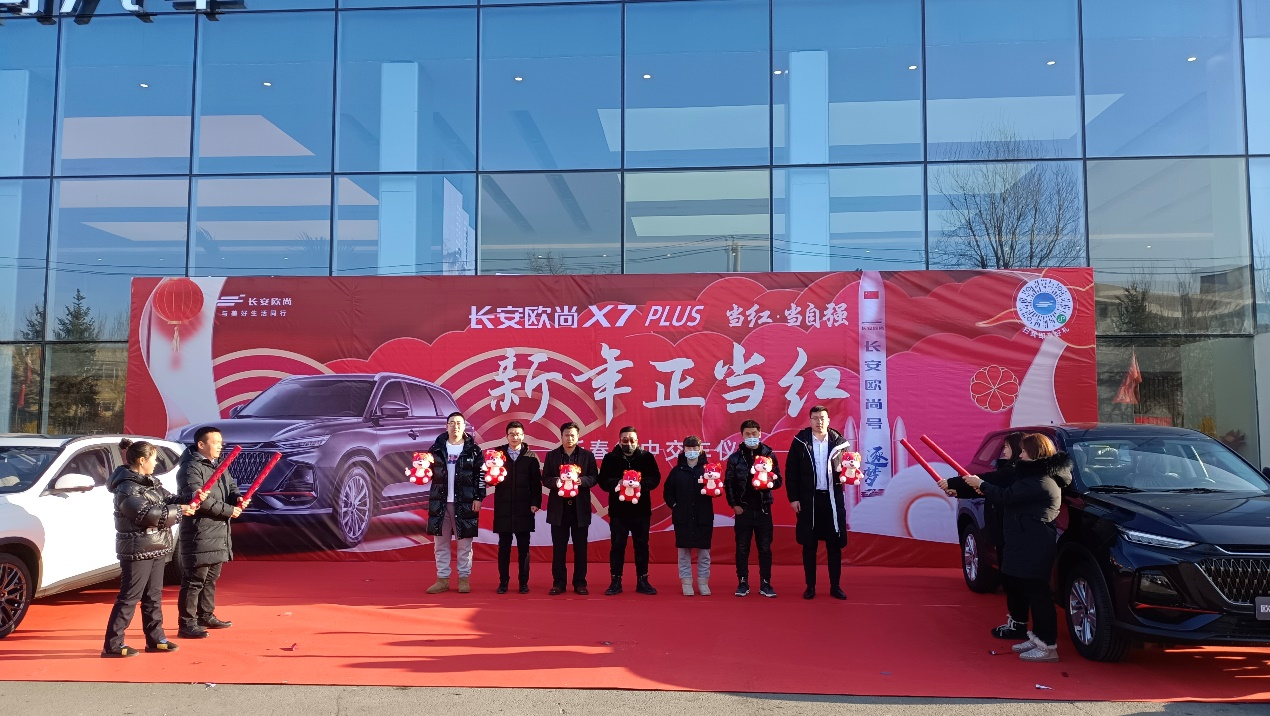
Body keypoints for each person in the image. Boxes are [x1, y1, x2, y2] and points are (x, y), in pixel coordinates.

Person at [960, 433, 1072, 663]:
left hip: (1035, 544)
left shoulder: (1040, 481)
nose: (1019, 455)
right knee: (1029, 590)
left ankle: (1048, 646)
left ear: (1034, 452)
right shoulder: (1034, 477)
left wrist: (981, 484)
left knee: (1039, 595)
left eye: (1023, 451)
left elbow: (1006, 496)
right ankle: (1037, 638)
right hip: (1025, 542)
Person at [102, 439, 198, 657]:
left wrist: (192, 498)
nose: (156, 463)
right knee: (129, 597)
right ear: (141, 460)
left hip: (156, 546)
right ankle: (113, 644)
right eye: (154, 459)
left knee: (153, 596)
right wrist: (180, 511)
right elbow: (146, 515)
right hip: (137, 550)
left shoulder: (150, 482)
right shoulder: (127, 488)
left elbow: (170, 499)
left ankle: (156, 639)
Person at [940, 432, 1027, 639]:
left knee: (1017, 582)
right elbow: (988, 488)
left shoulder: (1019, 473)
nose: (1003, 451)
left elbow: (988, 482)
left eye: (1008, 447)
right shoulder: (1009, 470)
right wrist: (958, 490)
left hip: (1016, 535)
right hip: (1003, 532)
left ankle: (1023, 627)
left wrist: (952, 483)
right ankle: (1017, 622)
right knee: (1009, 578)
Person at [176, 426, 243, 639]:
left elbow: (230, 487)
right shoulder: (190, 468)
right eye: (215, 442)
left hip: (218, 530)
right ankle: (187, 623)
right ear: (201, 444)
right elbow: (199, 500)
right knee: (195, 580)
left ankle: (205, 615)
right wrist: (230, 511)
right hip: (200, 531)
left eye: (221, 442)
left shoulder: (219, 465)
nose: (220, 446)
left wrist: (237, 499)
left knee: (211, 577)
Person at [784, 405, 850, 601]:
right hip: (808, 501)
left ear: (828, 420)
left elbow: (849, 467)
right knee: (809, 545)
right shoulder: (800, 441)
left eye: (822, 418)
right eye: (815, 418)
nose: (819, 421)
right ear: (809, 420)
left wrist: (851, 472)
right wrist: (793, 498)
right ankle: (810, 587)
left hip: (832, 500)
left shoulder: (839, 443)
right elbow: (791, 472)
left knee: (834, 546)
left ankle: (835, 587)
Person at [426, 412, 486, 594]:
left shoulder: (474, 450)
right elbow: (426, 472)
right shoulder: (436, 448)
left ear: (464, 426)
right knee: (440, 544)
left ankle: (463, 578)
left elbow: (480, 476)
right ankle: (442, 579)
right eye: (451, 423)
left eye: (459, 423)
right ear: (446, 426)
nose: (455, 426)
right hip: (440, 502)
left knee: (464, 544)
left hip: (465, 502)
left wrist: (478, 497)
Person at [598, 426, 662, 596]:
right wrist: (618, 483)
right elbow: (602, 480)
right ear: (620, 441)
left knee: (641, 546)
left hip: (641, 511)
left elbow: (655, 478)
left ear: (637, 441)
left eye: (632, 440)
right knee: (617, 546)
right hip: (618, 512)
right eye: (625, 440)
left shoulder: (646, 457)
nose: (629, 443)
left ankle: (643, 580)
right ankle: (615, 581)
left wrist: (641, 485)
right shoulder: (610, 458)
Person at [724, 419, 782, 598]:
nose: (751, 436)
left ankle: (766, 583)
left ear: (760, 433)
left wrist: (770, 481)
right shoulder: (735, 458)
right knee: (742, 548)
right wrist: (734, 505)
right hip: (744, 510)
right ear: (742, 435)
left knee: (765, 548)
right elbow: (729, 483)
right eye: (747, 434)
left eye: (754, 433)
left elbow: (779, 480)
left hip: (764, 509)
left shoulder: (769, 455)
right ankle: (742, 582)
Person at [541, 422, 600, 595]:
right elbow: (545, 478)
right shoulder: (552, 456)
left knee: (580, 548)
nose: (570, 438)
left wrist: (581, 481)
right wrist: (556, 482)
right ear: (561, 436)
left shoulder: (587, 456)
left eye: (573, 435)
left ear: (578, 436)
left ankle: (580, 582)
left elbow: (594, 477)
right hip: (558, 509)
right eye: (566, 435)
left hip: (579, 508)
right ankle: (558, 583)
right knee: (559, 549)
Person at [491, 421, 542, 594]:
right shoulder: (498, 455)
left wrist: (535, 502)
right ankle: (503, 582)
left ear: (523, 436)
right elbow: (489, 478)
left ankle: (523, 583)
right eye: (511, 434)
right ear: (506, 436)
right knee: (504, 547)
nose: (515, 437)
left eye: (518, 434)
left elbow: (536, 483)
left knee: (524, 549)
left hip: (524, 507)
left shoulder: (531, 457)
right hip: (503, 507)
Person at [662, 436, 714, 596]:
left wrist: (716, 490)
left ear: (700, 449)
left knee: (704, 553)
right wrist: (675, 505)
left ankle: (703, 582)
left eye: (695, 448)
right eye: (689, 448)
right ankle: (686, 582)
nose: (692, 451)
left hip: (703, 516)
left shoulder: (708, 469)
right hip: (683, 517)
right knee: (684, 553)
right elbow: (668, 492)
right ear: (683, 450)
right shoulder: (677, 471)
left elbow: (717, 489)